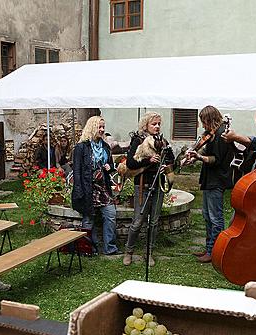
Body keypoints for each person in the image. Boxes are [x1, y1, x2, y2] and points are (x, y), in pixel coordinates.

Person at [121, 112, 175, 267]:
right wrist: (148, 160)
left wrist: (167, 167)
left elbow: (172, 161)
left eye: (159, 124)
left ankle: (149, 253)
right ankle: (129, 251)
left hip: (157, 185)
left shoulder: (163, 142)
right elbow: (130, 163)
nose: (157, 126)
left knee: (154, 222)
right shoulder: (138, 140)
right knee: (138, 221)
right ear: (146, 125)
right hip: (142, 185)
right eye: (154, 124)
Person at [185, 106, 236, 263]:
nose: (202, 125)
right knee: (207, 216)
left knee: (216, 218)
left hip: (217, 179)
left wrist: (199, 157)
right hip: (209, 179)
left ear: (210, 119)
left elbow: (216, 159)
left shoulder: (221, 135)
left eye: (204, 121)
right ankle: (209, 248)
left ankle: (216, 251)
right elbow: (208, 154)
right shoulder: (212, 134)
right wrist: (195, 157)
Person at [71, 116, 119, 256]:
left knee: (110, 215)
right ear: (92, 128)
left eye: (103, 127)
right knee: (88, 220)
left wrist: (109, 167)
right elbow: (77, 171)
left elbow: (111, 166)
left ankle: (109, 247)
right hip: (88, 189)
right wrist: (79, 192)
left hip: (103, 188)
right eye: (100, 127)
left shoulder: (105, 146)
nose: (102, 130)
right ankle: (89, 248)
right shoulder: (81, 147)